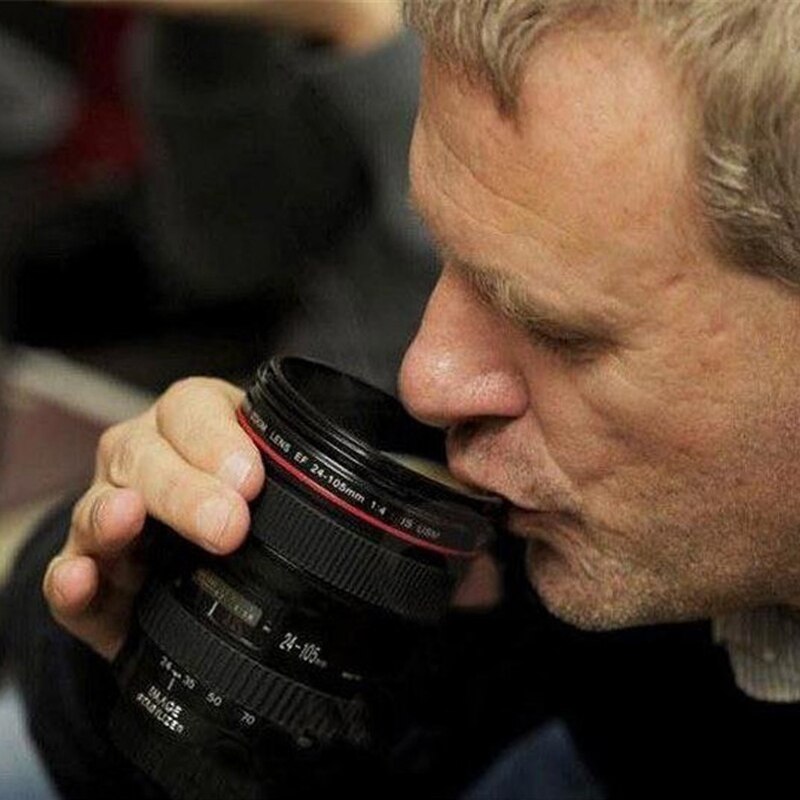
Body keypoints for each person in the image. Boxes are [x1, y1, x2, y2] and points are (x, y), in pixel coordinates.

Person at [8, 0, 800, 797]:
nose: (425, 379)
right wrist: (162, 608)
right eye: (440, 253)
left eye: (561, 333)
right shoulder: (600, 566)